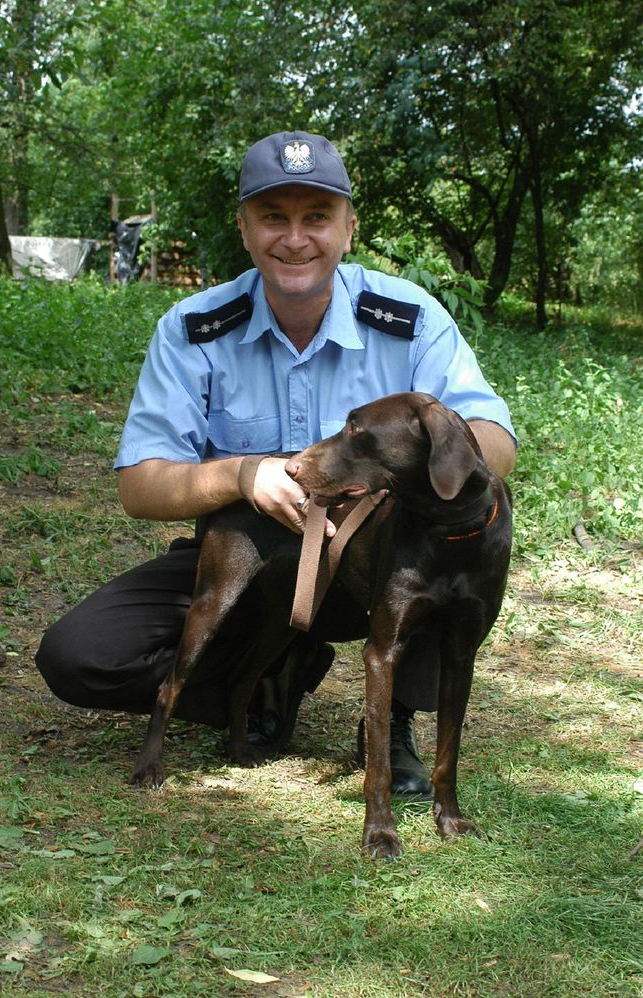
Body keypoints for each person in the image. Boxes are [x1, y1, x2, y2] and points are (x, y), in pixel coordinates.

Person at [36, 130, 516, 797]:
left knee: (459, 548)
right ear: (244, 228)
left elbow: (496, 440)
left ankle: (395, 722)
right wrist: (241, 474)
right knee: (77, 655)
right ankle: (264, 680)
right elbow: (139, 486)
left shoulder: (410, 320)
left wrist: (400, 476)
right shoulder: (194, 328)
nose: (296, 238)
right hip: (253, 559)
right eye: (274, 217)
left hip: (381, 565)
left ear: (349, 227)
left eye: (316, 217)